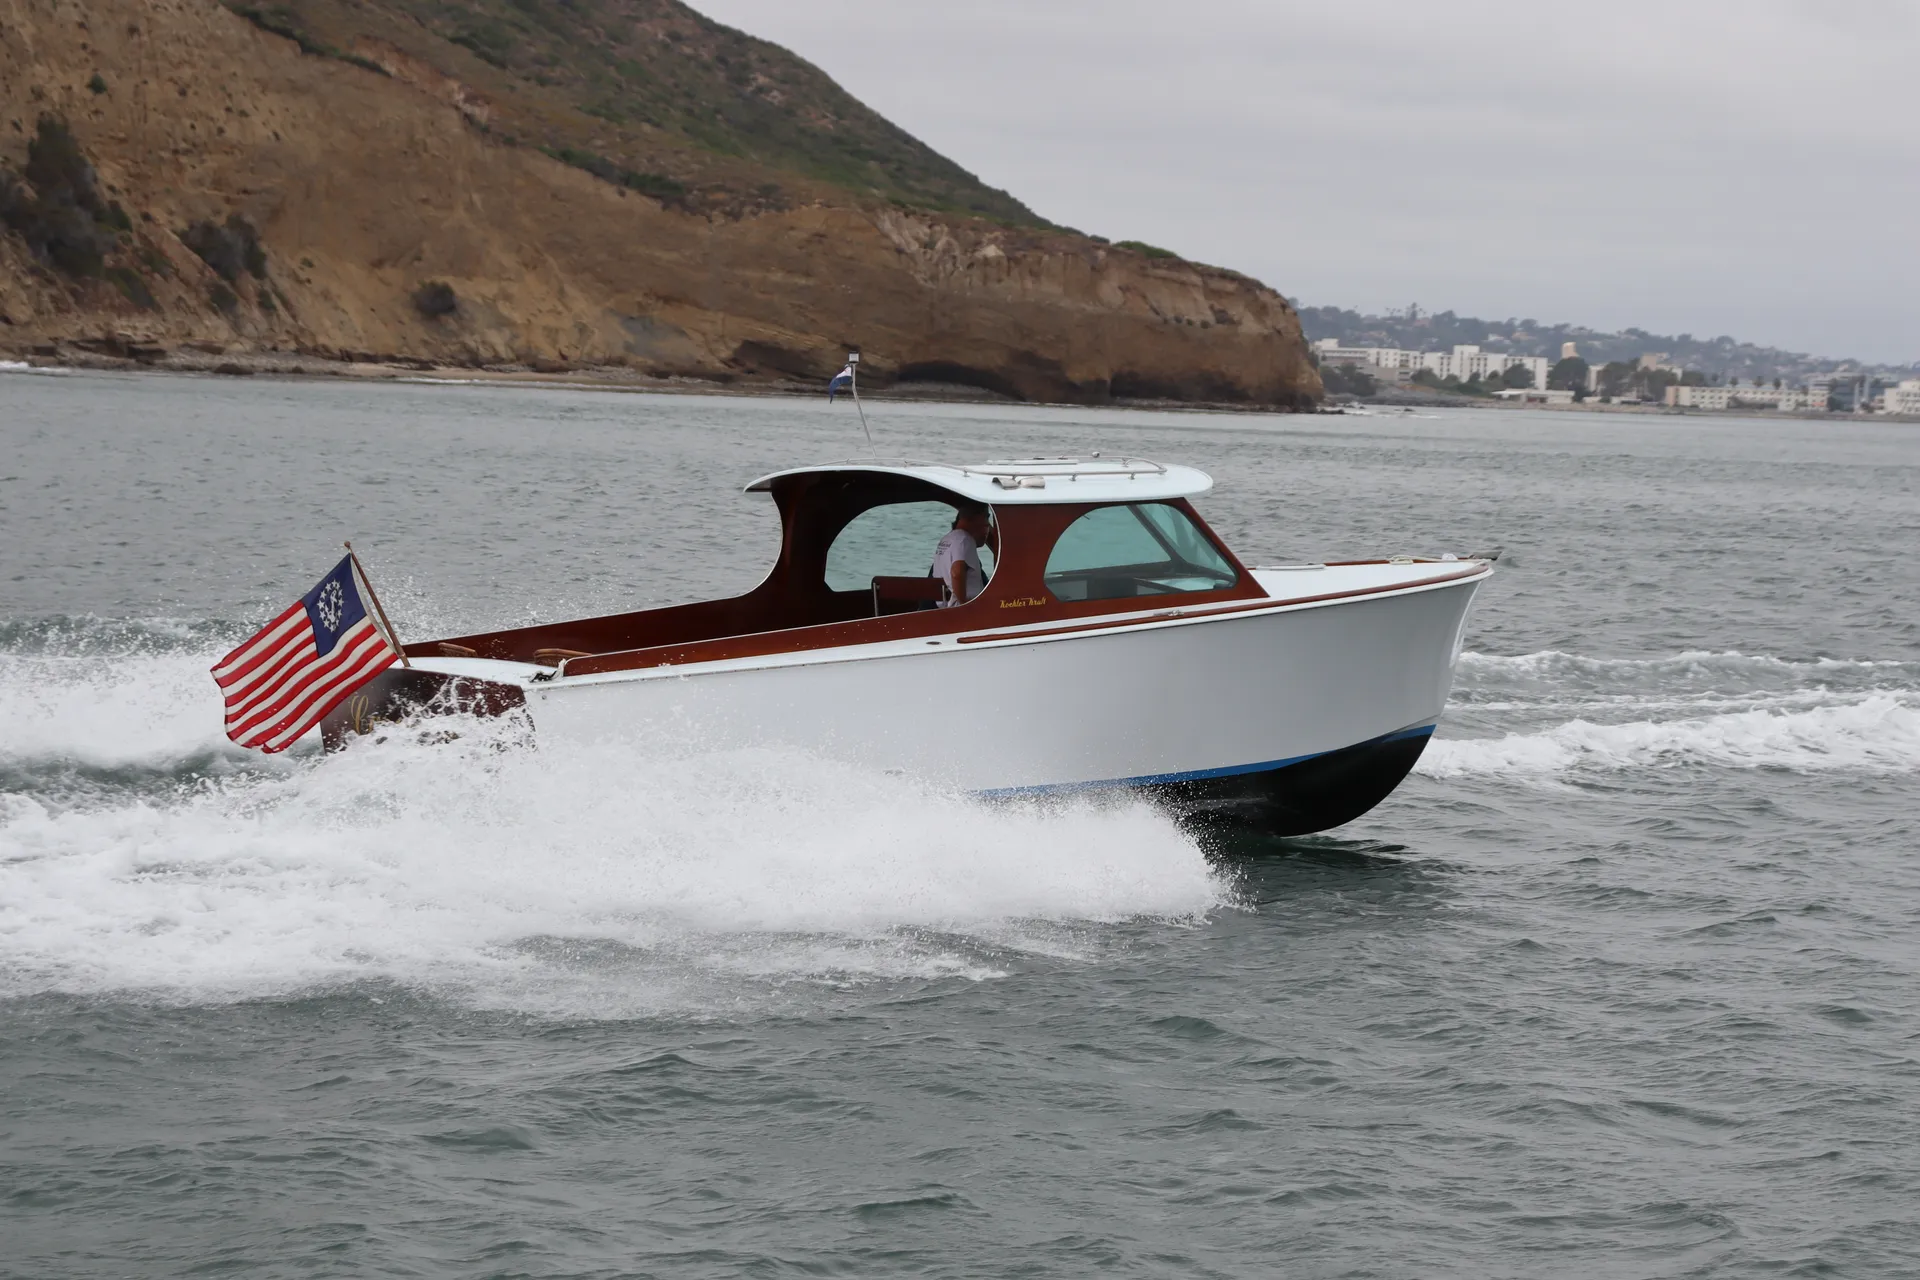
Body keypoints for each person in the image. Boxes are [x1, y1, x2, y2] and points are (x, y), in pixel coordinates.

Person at [929, 503, 992, 606]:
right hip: (966, 610)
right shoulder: (965, 540)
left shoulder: (946, 540)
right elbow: (956, 572)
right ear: (974, 518)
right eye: (986, 517)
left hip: (944, 607)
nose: (987, 525)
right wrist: (963, 604)